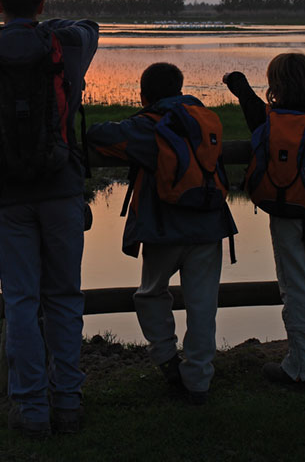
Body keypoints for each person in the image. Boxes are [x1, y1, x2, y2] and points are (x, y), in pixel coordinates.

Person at [0, 0, 99, 437]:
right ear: (42, 4)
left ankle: (31, 409)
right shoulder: (68, 47)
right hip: (61, 189)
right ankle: (69, 403)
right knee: (64, 298)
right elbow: (91, 28)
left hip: (8, 192)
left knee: (20, 301)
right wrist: (48, 29)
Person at [86, 62, 237, 405]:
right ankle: (198, 381)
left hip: (164, 227)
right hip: (209, 224)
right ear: (180, 88)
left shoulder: (147, 127)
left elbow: (99, 134)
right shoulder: (205, 117)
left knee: (151, 294)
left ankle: (167, 360)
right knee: (203, 305)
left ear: (144, 94)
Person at [223, 53, 305, 385]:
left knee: (295, 287)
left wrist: (238, 85)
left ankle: (304, 366)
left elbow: (252, 108)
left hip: (283, 215)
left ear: (275, 85)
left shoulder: (268, 117)